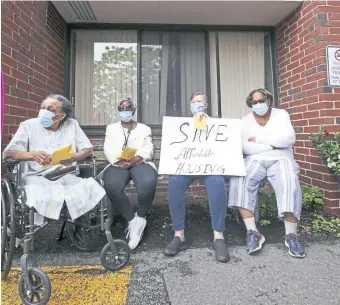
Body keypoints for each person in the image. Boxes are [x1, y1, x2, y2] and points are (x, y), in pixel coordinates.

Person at [3, 94, 106, 221]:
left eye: (50, 109)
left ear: (61, 116)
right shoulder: (28, 125)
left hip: (65, 174)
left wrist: (75, 157)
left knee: (88, 188)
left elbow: (88, 149)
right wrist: (32, 155)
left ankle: (80, 223)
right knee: (38, 193)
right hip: (35, 175)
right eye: (42, 107)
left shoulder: (72, 124)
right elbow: (7, 153)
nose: (43, 112)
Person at [229, 88, 305, 258]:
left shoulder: (281, 114)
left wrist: (261, 141)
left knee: (289, 181)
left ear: (268, 100)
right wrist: (274, 143)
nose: (258, 104)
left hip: (282, 158)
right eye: (254, 102)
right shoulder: (245, 120)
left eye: (261, 100)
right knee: (240, 178)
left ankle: (291, 235)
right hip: (254, 159)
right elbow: (245, 146)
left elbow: (289, 139)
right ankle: (253, 232)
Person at [164, 92, 230, 263]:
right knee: (174, 182)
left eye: (199, 101)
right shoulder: (181, 126)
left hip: (210, 167)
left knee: (217, 182)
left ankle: (219, 236)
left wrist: (205, 122)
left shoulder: (217, 124)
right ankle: (179, 235)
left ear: (206, 105)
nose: (196, 104)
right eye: (192, 101)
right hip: (187, 167)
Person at [103, 98, 158, 250]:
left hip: (139, 162)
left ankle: (140, 216)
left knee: (148, 181)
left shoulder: (144, 129)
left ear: (133, 110)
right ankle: (132, 220)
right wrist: (117, 160)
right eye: (122, 108)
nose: (125, 110)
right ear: (118, 110)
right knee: (112, 185)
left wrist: (139, 157)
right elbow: (108, 148)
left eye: (128, 108)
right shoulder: (111, 128)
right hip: (118, 163)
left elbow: (149, 148)